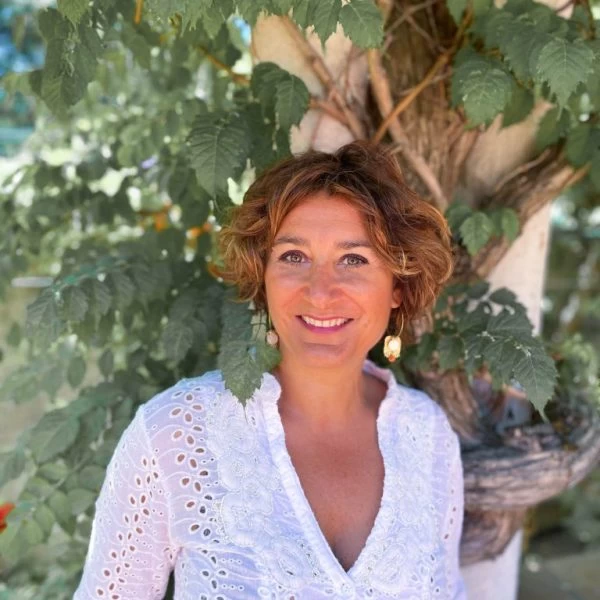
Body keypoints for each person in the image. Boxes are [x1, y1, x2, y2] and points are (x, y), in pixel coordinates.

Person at [74, 141, 466, 599]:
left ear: (398, 285)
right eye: (293, 256)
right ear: (262, 277)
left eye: (354, 259)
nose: (320, 292)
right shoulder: (175, 434)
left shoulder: (429, 436)